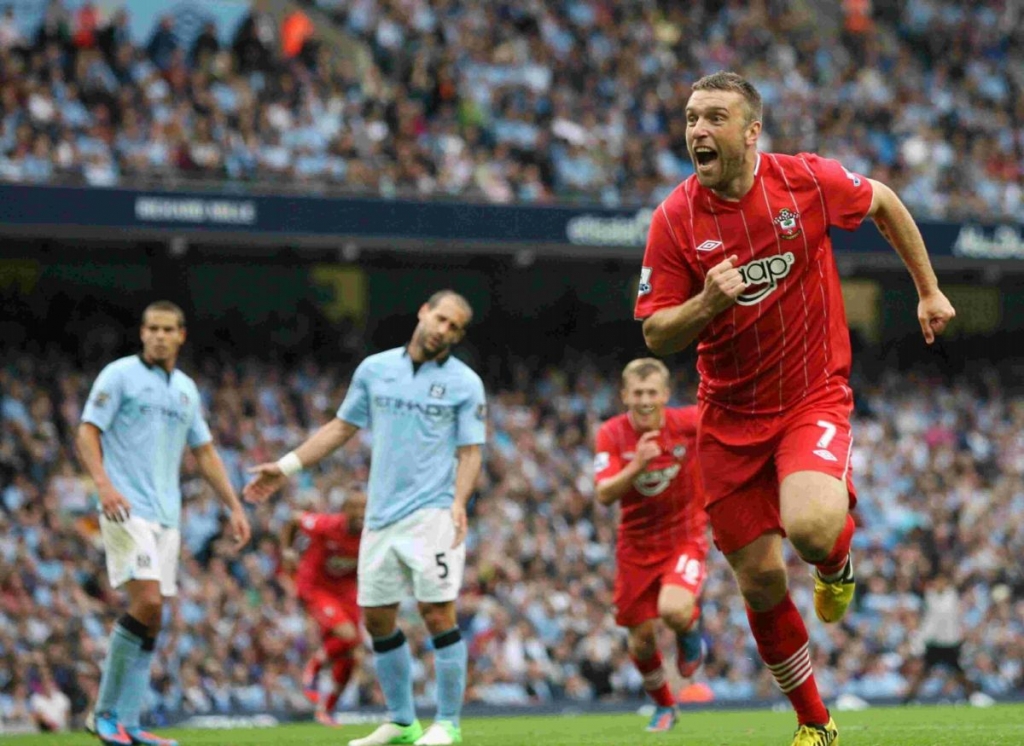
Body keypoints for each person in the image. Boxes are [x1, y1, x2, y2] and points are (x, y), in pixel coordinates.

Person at [635, 71, 955, 746]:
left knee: (810, 529)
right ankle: (816, 724)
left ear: (751, 131)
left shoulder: (805, 181)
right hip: (727, 418)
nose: (697, 130)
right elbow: (656, 332)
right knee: (758, 582)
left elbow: (886, 203)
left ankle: (836, 562)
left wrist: (927, 290)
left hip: (810, 394)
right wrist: (707, 303)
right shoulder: (674, 219)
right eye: (691, 117)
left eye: (714, 117)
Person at [245, 290, 486, 746]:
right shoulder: (375, 369)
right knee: (376, 619)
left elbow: (471, 451)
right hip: (380, 516)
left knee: (437, 613)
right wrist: (287, 465)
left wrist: (458, 502)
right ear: (423, 312)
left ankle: (448, 725)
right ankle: (401, 722)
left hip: (432, 513)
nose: (445, 330)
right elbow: (340, 428)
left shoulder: (465, 383)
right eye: (441, 319)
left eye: (455, 327)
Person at [77, 301, 252, 746]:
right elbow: (87, 431)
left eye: (167, 329)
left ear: (181, 335)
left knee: (153, 620)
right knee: (148, 603)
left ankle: (131, 725)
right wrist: (104, 485)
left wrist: (234, 504)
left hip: (167, 516)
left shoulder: (186, 390)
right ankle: (102, 713)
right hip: (125, 508)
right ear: (142, 332)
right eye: (151, 328)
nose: (158, 335)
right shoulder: (118, 376)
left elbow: (206, 451)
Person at [593, 358, 708, 733]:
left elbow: (730, 423)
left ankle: (690, 637)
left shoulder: (688, 423)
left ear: (665, 394)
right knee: (640, 641)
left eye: (652, 392)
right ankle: (664, 707)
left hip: (684, 537)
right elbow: (604, 492)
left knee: (674, 610)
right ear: (625, 395)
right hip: (636, 547)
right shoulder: (611, 434)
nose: (645, 400)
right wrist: (637, 466)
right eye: (637, 393)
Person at [280, 488, 368, 726]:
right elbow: (293, 518)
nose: (360, 513)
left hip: (347, 592)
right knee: (348, 637)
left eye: (364, 507)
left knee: (353, 656)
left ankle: (326, 710)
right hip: (317, 588)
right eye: (355, 507)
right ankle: (313, 668)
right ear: (344, 510)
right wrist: (287, 550)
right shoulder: (327, 525)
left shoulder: (372, 534)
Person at [901, 572, 993, 707]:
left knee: (959, 673)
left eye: (942, 581)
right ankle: (909, 699)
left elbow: (948, 614)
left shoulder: (951, 596)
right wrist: (922, 638)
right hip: (935, 642)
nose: (939, 584)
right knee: (924, 673)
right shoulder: (930, 596)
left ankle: (972, 696)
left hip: (950, 642)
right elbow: (930, 619)